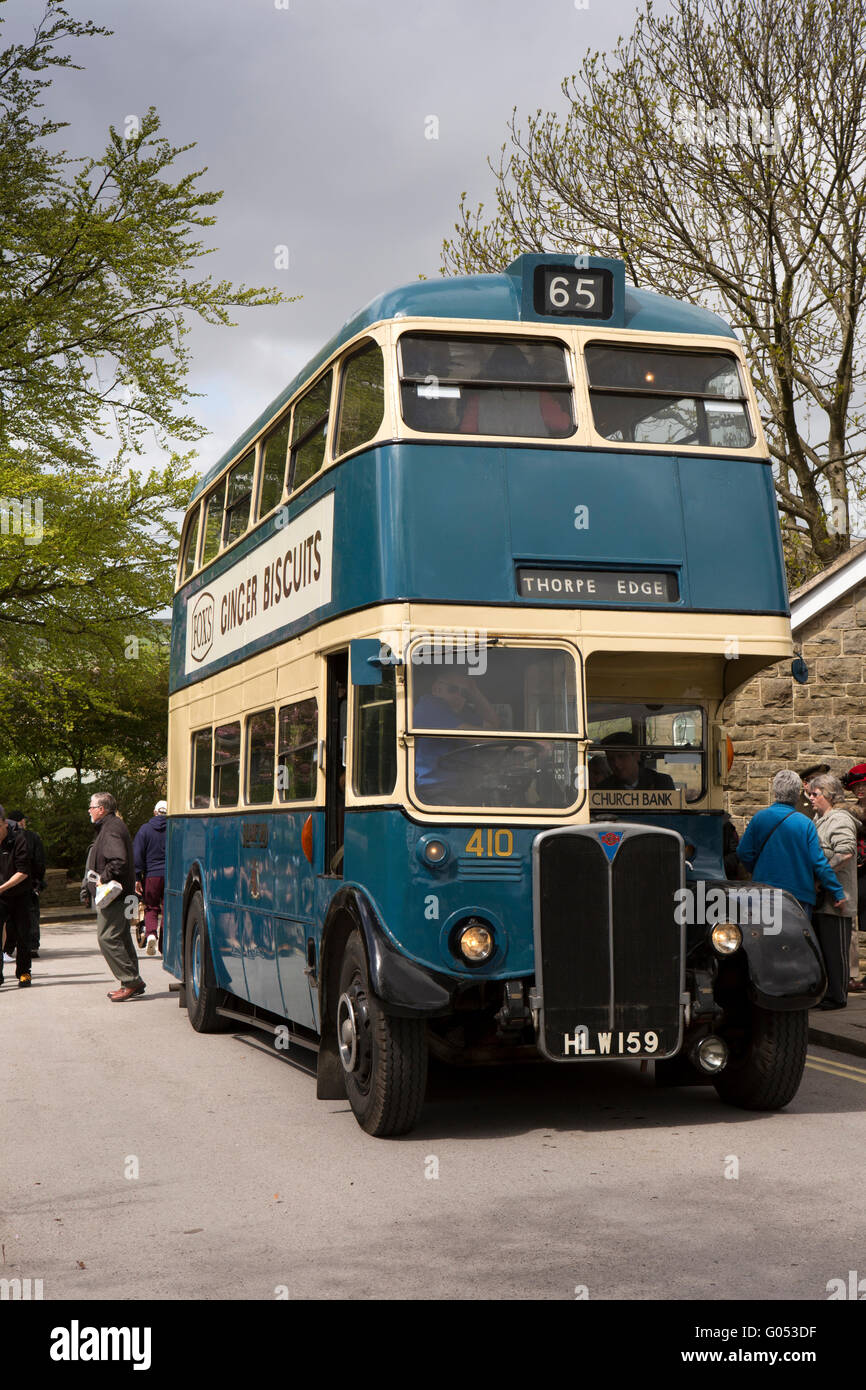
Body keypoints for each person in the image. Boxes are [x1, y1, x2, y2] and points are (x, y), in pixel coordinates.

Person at [737, 770, 846, 924]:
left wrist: (758, 869)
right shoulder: (806, 823)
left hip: (764, 891)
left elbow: (743, 852)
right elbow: (818, 862)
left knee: (764, 944)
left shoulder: (759, 818)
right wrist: (837, 891)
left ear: (775, 791)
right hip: (798, 896)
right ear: (797, 793)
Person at [81, 791, 144, 1003]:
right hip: (123, 894)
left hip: (115, 895)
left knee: (107, 937)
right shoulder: (112, 826)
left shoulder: (111, 828)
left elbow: (119, 861)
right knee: (122, 937)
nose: (89, 810)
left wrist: (102, 879)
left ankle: (131, 981)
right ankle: (130, 982)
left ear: (101, 809)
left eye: (91, 806)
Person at [804, 774, 858, 1010]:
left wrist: (821, 876)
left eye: (815, 794)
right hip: (822, 898)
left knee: (835, 950)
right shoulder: (820, 819)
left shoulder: (839, 820)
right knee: (824, 949)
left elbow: (845, 852)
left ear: (828, 795)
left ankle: (837, 996)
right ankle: (827, 994)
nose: (810, 798)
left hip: (837, 899)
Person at [413, 673, 499, 801]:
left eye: (465, 693)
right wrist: (525, 745)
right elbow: (475, 736)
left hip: (463, 786)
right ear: (437, 689)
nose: (460, 696)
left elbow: (494, 726)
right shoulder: (429, 706)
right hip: (435, 789)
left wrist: (475, 692)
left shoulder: (464, 713)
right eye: (453, 689)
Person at [0, 805, 33, 988]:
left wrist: (2, 887)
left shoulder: (19, 840)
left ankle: (24, 972)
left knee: (23, 935)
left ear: (4, 824)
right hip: (1, 897)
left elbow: (23, 871)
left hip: (19, 894)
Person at [841, 762, 866, 992]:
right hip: (857, 873)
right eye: (856, 786)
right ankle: (853, 974)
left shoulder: (855, 812)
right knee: (853, 923)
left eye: (863, 785)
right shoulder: (851, 810)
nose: (860, 790)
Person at [7, 811, 46, 958]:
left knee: (9, 918)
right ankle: (32, 946)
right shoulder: (32, 837)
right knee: (30, 916)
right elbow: (39, 862)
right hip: (28, 883)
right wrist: (38, 882)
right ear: (21, 821)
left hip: (8, 883)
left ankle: (8, 948)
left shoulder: (5, 837)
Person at [134, 800, 167, 956]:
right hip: (170, 875)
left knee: (151, 907)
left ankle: (151, 934)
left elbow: (137, 855)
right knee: (168, 910)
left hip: (151, 876)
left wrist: (137, 877)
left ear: (155, 812)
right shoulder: (174, 828)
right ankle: (164, 945)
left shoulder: (145, 829)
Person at [596, 731, 676, 791]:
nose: (616, 764)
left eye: (622, 756)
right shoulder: (604, 788)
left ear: (636, 755)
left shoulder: (661, 782)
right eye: (611, 759)